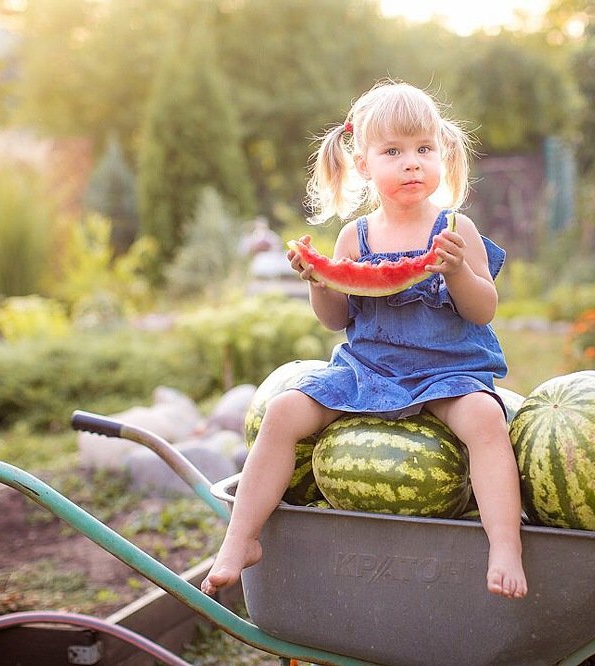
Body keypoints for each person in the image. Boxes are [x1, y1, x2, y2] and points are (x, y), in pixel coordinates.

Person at [201, 80, 528, 599]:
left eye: (424, 149)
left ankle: (505, 544)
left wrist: (460, 270)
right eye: (393, 152)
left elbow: (482, 308)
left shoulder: (455, 227)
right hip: (368, 371)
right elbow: (335, 319)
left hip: (447, 372)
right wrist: (320, 280)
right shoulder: (354, 237)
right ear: (362, 164)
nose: (411, 163)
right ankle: (241, 540)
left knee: (487, 419)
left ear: (442, 154)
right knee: (284, 411)